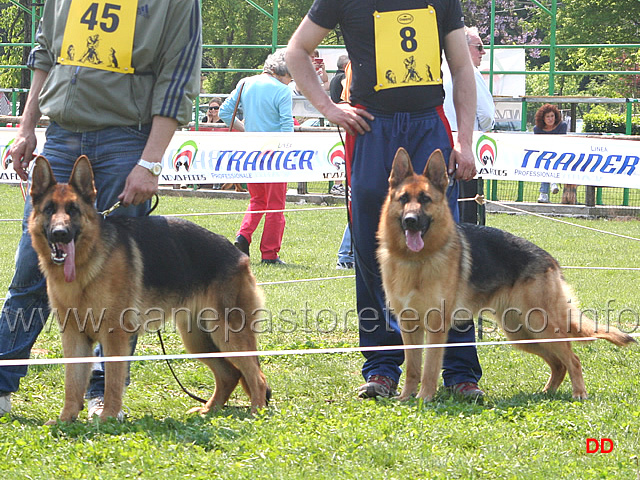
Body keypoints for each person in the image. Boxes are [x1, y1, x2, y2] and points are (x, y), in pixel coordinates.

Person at [0, 0, 202, 417]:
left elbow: (178, 74)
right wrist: (26, 127)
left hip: (125, 139)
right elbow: (44, 52)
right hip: (60, 134)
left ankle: (102, 396)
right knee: (29, 275)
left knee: (116, 292)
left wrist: (150, 161)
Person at [286, 0, 483, 400]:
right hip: (371, 127)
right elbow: (296, 50)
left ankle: (461, 371)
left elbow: (463, 68)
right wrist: (327, 107)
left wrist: (464, 138)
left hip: (430, 123)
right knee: (371, 252)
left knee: (449, 250)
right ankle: (381, 368)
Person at [220, 50, 293, 265]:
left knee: (258, 200)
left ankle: (243, 237)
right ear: (284, 72)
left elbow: (225, 112)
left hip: (251, 151)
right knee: (276, 205)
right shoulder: (283, 91)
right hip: (275, 154)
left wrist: (245, 130)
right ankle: (269, 254)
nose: (291, 82)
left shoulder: (245, 83)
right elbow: (287, 128)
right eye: (291, 77)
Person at [443, 25, 495, 224]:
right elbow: (487, 115)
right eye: (479, 47)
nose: (483, 52)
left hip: (440, 145)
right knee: (468, 207)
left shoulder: (437, 71)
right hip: (465, 147)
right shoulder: (470, 73)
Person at [534, 104, 567, 203]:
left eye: (552, 116)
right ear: (542, 118)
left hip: (560, 155)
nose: (550, 119)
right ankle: (547, 189)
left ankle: (546, 191)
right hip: (543, 155)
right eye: (547, 117)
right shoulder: (537, 129)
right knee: (545, 162)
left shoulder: (562, 126)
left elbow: (562, 143)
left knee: (550, 162)